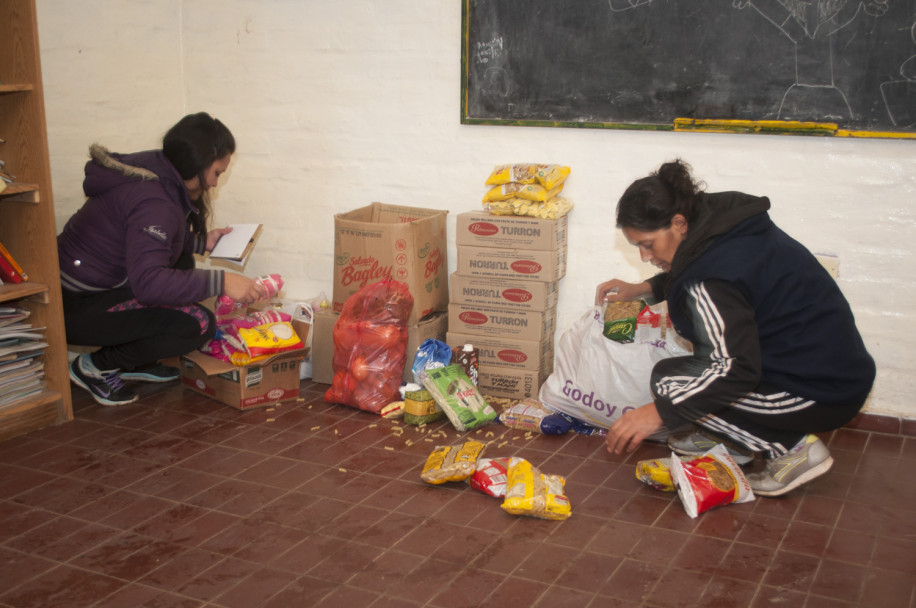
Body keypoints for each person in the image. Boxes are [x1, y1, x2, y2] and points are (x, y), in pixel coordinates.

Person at [596, 159, 875, 497]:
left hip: (817, 390)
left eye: (648, 244)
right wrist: (645, 288)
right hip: (828, 370)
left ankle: (794, 451)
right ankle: (735, 439)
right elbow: (706, 274)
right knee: (682, 373)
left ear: (679, 223)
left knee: (672, 385)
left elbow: (736, 370)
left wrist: (659, 412)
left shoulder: (711, 276)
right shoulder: (724, 227)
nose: (643, 256)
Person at [58, 112, 267, 407]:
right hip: (74, 307)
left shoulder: (158, 170)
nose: (216, 184)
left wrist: (200, 243)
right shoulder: (155, 202)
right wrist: (222, 281)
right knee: (197, 323)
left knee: (183, 266)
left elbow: (146, 240)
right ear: (196, 165)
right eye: (217, 173)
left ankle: (135, 361)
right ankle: (94, 366)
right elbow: (150, 283)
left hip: (87, 291)